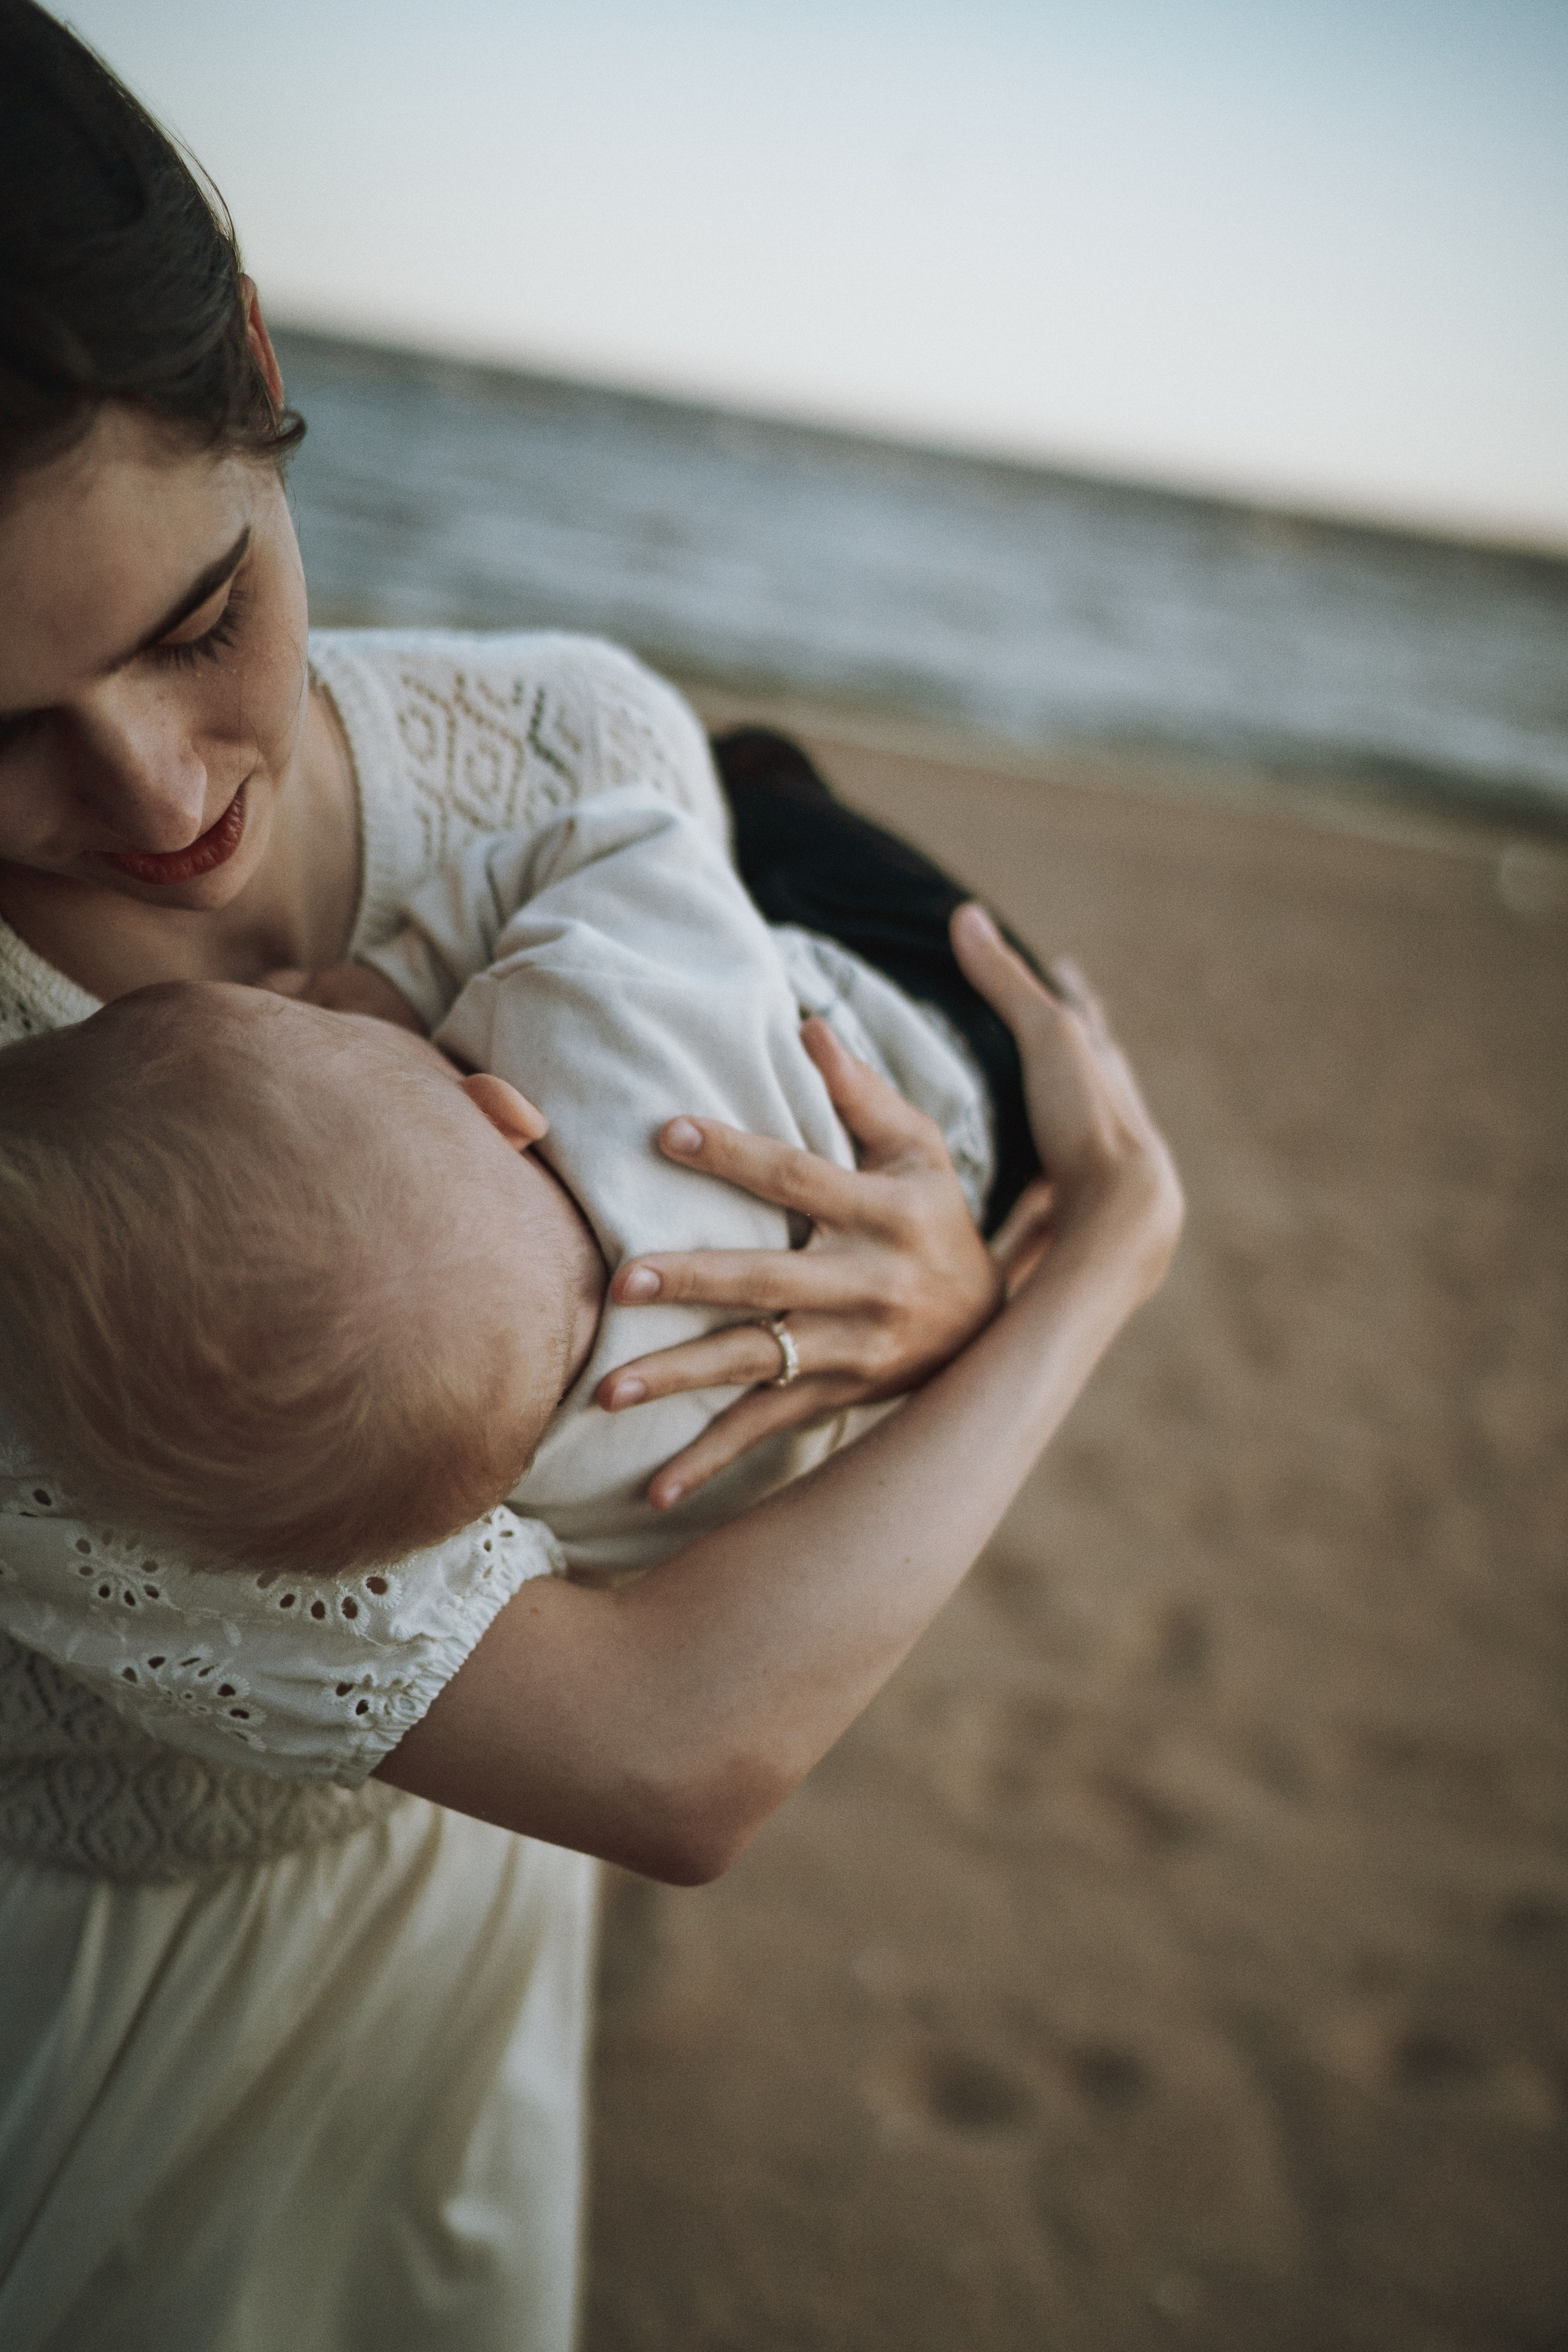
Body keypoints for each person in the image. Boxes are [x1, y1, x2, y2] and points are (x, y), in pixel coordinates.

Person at [0, 7, 1183, 2348]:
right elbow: (671, 1753)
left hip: (463, 1907)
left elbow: (806, 1123)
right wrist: (1104, 1270)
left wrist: (930, 1275)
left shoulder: (572, 734)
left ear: (250, 359)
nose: (145, 793)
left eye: (195, 618)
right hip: (102, 2001)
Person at [0, 782, 1003, 1583]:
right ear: (501, 1109)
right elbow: (639, 837)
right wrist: (399, 976)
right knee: (755, 777)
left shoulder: (570, 1499)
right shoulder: (576, 1018)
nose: (313, 991)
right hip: (914, 1017)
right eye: (320, 1020)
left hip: (972, 1224)